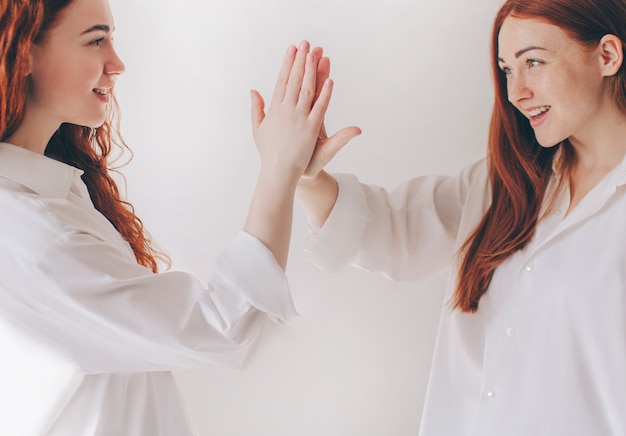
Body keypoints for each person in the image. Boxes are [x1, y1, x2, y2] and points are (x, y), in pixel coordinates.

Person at [0, 0, 336, 434]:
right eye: (96, 39)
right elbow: (224, 328)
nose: (116, 63)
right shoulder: (35, 236)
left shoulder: (48, 195)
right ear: (23, 52)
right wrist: (279, 168)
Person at [297, 0, 626, 434]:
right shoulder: (504, 182)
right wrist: (307, 174)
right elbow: (396, 233)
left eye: (533, 62)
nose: (516, 92)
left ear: (607, 56)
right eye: (508, 69)